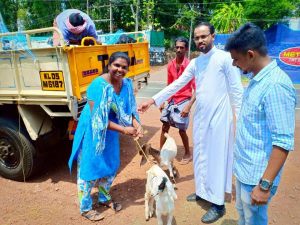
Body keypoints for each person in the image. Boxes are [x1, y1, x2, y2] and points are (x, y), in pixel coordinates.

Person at [138, 22, 243, 223]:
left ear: (213, 36)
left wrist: (240, 121)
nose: (200, 41)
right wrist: (153, 100)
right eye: (197, 37)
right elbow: (177, 84)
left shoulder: (224, 59)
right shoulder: (196, 63)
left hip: (220, 118)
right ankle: (203, 192)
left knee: (216, 159)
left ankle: (218, 204)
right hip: (202, 116)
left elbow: (237, 92)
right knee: (201, 156)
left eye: (204, 36)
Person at [225, 23, 296, 225]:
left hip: (257, 178)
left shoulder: (275, 85)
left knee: (254, 220)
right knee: (244, 214)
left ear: (250, 54)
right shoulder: (258, 79)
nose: (234, 65)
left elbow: (283, 142)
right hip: (245, 169)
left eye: (236, 60)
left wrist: (264, 186)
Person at [68, 52, 143, 221]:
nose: (120, 70)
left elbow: (130, 109)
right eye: (116, 65)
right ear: (109, 66)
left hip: (111, 132)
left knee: (111, 164)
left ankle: (103, 197)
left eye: (124, 67)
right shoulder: (97, 86)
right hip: (93, 131)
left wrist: (137, 125)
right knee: (89, 167)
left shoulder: (127, 85)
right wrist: (124, 130)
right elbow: (98, 119)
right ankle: (85, 207)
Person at [159, 36, 195, 165]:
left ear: (186, 49)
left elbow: (197, 89)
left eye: (182, 47)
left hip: (184, 99)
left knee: (181, 129)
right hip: (172, 98)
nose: (179, 50)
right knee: (164, 125)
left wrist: (189, 106)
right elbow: (169, 85)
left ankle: (187, 153)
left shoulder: (191, 66)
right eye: (177, 47)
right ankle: (160, 152)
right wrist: (163, 100)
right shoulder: (171, 65)